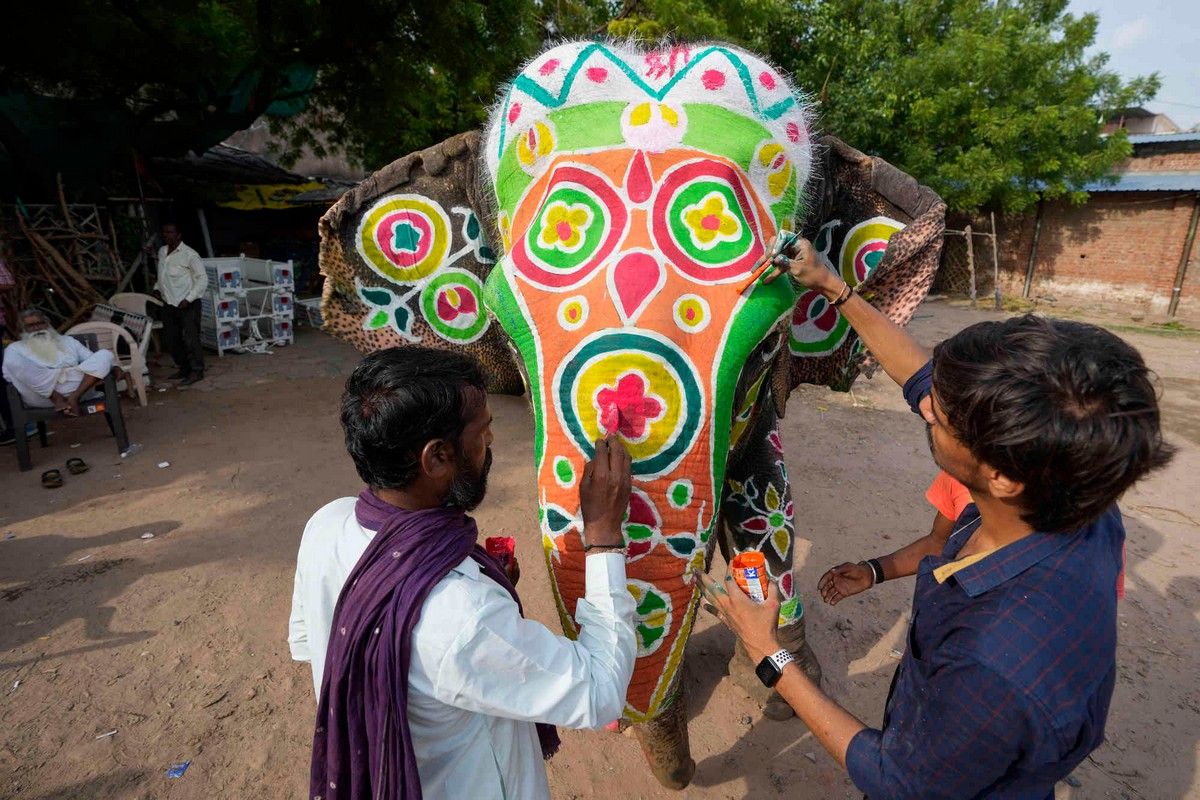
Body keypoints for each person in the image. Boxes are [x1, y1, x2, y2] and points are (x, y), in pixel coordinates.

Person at [696, 237, 1174, 799]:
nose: (924, 404)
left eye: (940, 415)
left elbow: (895, 779)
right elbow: (920, 377)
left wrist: (766, 650)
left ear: (1001, 475)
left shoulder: (991, 665)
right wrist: (832, 285)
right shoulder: (1076, 496)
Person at [289, 346, 637, 800]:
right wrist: (604, 533)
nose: (490, 444)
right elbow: (601, 690)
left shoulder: (326, 524)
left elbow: (312, 644)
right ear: (436, 459)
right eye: (484, 432)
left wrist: (477, 583)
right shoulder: (461, 617)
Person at [2, 308, 117, 417]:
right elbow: (9, 375)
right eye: (30, 326)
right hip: (42, 397)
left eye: (40, 323)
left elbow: (92, 359)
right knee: (13, 362)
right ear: (23, 330)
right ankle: (56, 397)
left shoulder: (68, 341)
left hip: (79, 387)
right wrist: (48, 377)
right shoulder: (15, 348)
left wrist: (113, 366)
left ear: (48, 324)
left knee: (105, 354)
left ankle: (74, 398)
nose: (37, 328)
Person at [153, 223, 207, 385]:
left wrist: (189, 298)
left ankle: (197, 371)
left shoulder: (189, 254)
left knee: (191, 339)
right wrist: (157, 288)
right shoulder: (162, 251)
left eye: (170, 232)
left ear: (179, 235)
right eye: (164, 232)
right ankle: (184, 368)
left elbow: (202, 279)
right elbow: (163, 275)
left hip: (187, 303)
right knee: (171, 339)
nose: (166, 235)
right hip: (169, 302)